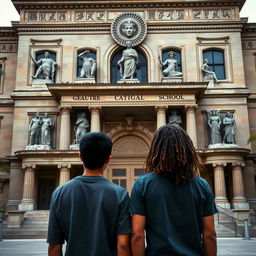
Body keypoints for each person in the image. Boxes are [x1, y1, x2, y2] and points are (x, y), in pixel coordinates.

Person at [130, 124, 217, 256]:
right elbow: (210, 234)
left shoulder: (142, 184)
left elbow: (137, 234)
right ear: (187, 149)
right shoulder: (202, 185)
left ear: (155, 150)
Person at [48, 132, 131, 256]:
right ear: (108, 159)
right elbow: (123, 244)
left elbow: (54, 245)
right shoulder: (120, 194)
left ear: (80, 156)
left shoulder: (59, 193)